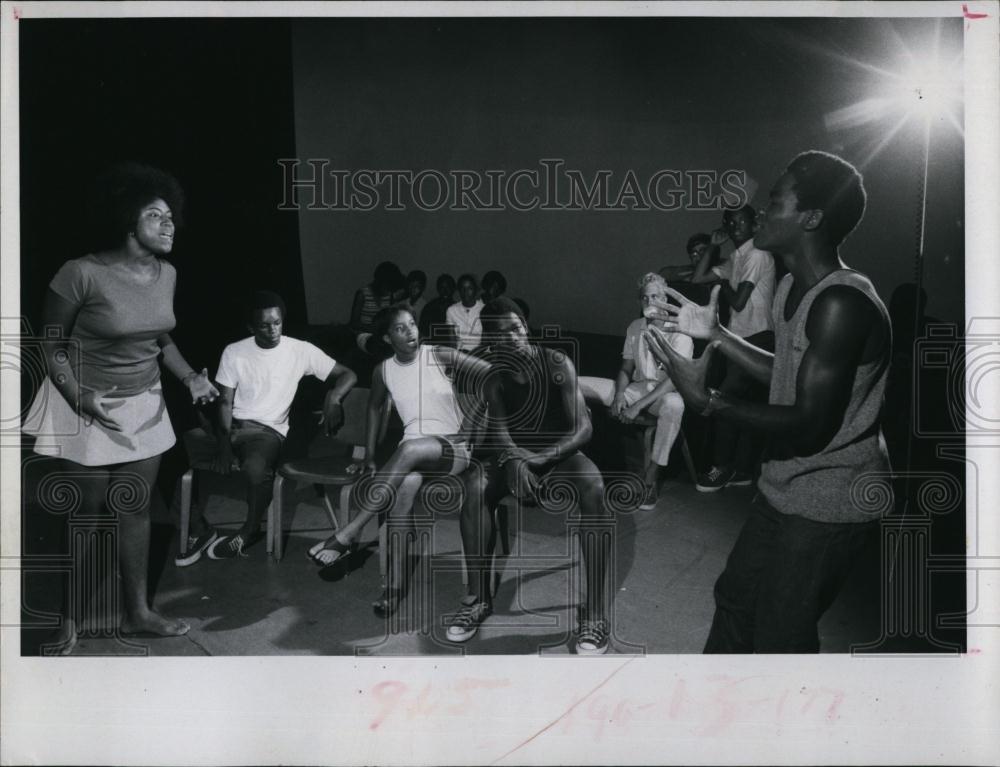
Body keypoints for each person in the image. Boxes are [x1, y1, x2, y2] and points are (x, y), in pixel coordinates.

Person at [644, 150, 891, 653]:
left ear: (811, 218)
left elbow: (808, 422)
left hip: (830, 499)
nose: (760, 214)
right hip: (783, 485)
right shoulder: (790, 288)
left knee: (781, 633)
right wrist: (717, 334)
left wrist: (708, 399)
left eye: (775, 201)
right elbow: (787, 373)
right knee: (735, 598)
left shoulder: (841, 302)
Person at [22, 163, 219, 653]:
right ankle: (69, 618)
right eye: (156, 215)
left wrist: (189, 376)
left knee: (134, 508)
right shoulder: (81, 273)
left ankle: (138, 613)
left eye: (172, 215)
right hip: (83, 402)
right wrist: (77, 396)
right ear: (128, 222)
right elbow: (51, 344)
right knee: (86, 514)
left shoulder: (166, 272)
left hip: (143, 401)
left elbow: (159, 337)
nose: (169, 224)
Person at [447, 297, 615, 655]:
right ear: (491, 341)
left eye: (517, 327)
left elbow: (583, 428)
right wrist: (513, 460)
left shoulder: (556, 363)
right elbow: (501, 431)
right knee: (474, 485)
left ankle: (596, 614)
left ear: (527, 326)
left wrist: (538, 458)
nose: (514, 336)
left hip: (559, 453)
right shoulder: (494, 376)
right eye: (502, 333)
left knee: (594, 485)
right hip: (515, 455)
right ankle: (478, 598)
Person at [307, 306, 491, 617]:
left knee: (407, 452)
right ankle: (392, 589)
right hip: (413, 453)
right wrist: (367, 454)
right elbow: (375, 408)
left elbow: (491, 375)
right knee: (402, 493)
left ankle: (349, 533)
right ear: (386, 337)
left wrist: (472, 420)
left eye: (412, 324)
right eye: (400, 328)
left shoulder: (440, 354)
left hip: (452, 448)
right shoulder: (384, 370)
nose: (411, 332)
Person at [178, 290, 357, 562]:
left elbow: (348, 374)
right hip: (231, 426)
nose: (272, 329)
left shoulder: (300, 350)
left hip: (267, 432)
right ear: (251, 327)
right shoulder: (235, 351)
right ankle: (198, 528)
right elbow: (225, 403)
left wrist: (333, 396)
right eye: (264, 325)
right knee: (174, 455)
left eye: (277, 322)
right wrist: (224, 444)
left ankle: (247, 532)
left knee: (255, 469)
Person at [579, 273, 693, 509]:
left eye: (655, 297)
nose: (650, 302)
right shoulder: (635, 327)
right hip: (637, 389)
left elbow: (674, 380)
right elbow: (625, 368)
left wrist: (636, 407)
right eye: (645, 298)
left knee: (674, 404)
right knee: (576, 383)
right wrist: (620, 395)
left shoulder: (681, 331)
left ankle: (651, 476)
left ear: (665, 299)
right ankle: (574, 461)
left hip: (666, 392)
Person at [692, 205, 776, 492]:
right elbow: (697, 278)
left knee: (725, 402)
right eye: (730, 222)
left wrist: (724, 282)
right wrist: (712, 248)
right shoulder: (736, 258)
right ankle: (741, 470)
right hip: (738, 338)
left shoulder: (756, 254)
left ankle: (723, 468)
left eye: (742, 221)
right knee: (743, 407)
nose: (735, 225)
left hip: (758, 338)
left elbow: (738, 301)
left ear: (754, 225)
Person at [350, 261, 402, 354]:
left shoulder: (390, 295)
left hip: (381, 335)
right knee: (378, 346)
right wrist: (374, 329)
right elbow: (354, 323)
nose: (387, 289)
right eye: (386, 285)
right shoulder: (363, 294)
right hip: (363, 334)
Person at [446, 273, 485, 351]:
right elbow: (452, 341)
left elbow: (486, 341)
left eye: (469, 288)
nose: (465, 292)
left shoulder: (485, 309)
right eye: (462, 288)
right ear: (459, 291)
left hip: (479, 354)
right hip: (459, 354)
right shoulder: (451, 310)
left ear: (475, 290)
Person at [418, 273, 457, 344]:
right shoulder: (429, 307)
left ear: (453, 288)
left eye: (448, 287)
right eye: (442, 287)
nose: (445, 290)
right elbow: (422, 331)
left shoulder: (458, 308)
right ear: (438, 289)